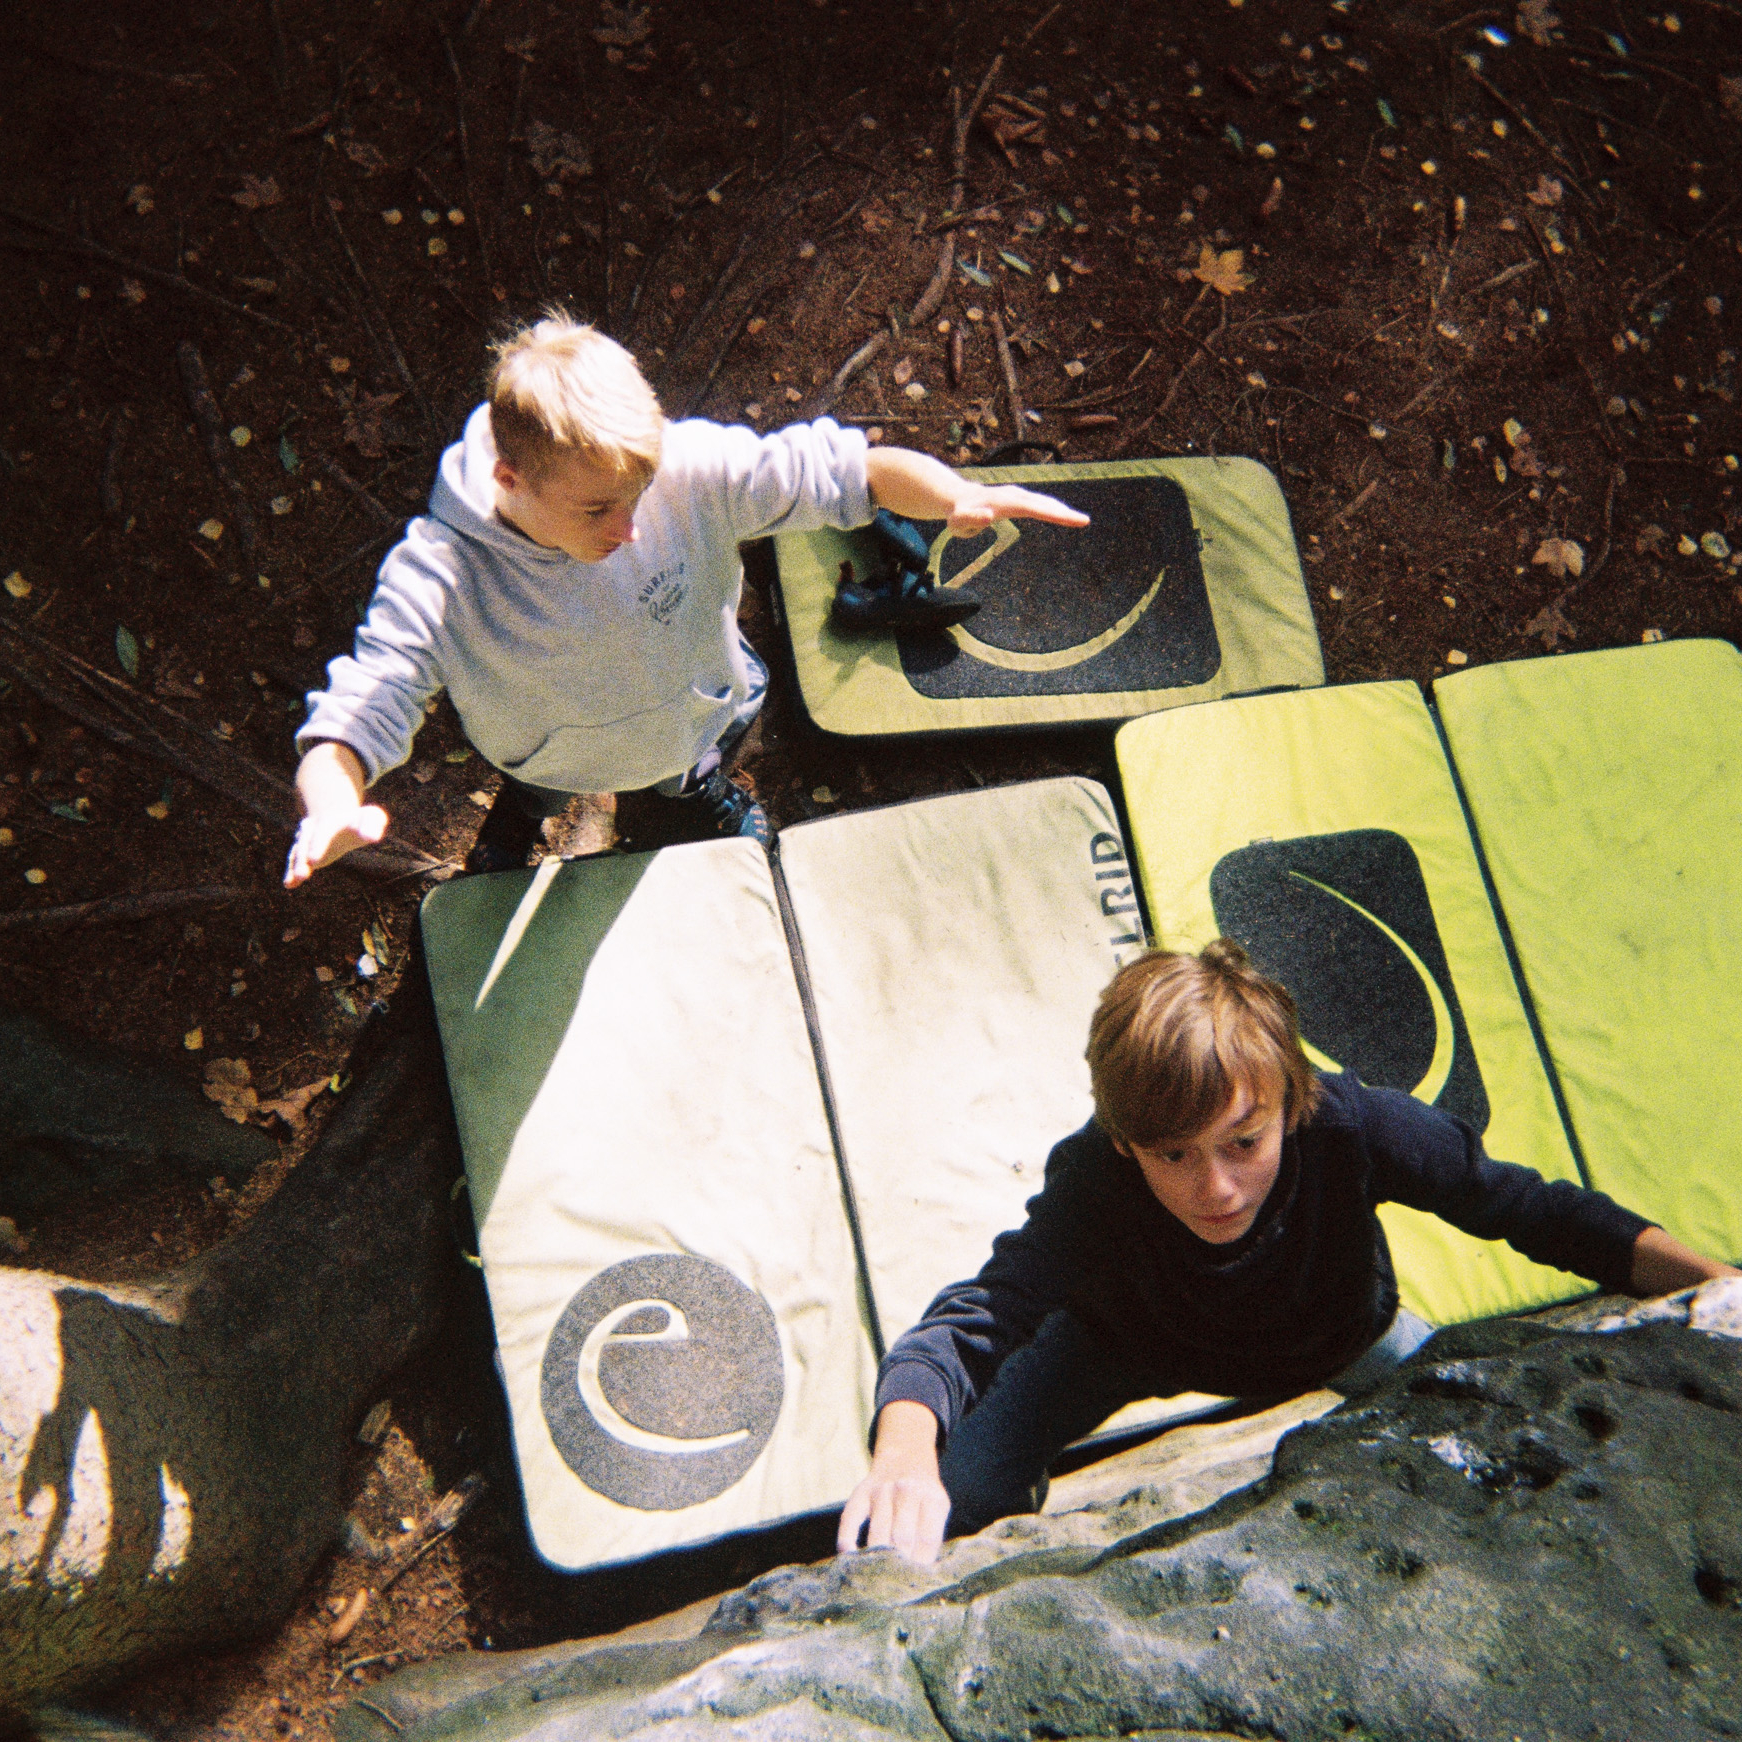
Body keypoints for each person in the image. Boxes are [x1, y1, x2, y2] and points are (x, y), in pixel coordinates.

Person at [838, 939, 1740, 1565]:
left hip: (1340, 1334)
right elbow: (974, 1320)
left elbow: (1532, 1210)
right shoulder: (1094, 1180)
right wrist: (901, 1458)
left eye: (1243, 1142)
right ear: (1124, 1142)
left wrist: (1715, 1286)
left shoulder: (1352, 1127)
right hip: (1130, 1343)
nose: (1217, 1189)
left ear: (1290, 1101)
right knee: (956, 1484)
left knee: (1505, 1441)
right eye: (1173, 1156)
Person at [283, 313, 1089, 885]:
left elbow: (847, 472)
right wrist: (330, 807)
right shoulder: (442, 574)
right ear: (509, 479)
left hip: (686, 713)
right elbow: (364, 704)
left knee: (681, 764)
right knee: (542, 783)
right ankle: (525, 813)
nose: (631, 528)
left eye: (638, 492)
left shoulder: (687, 470)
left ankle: (689, 782)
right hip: (544, 747)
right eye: (597, 508)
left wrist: (951, 493)